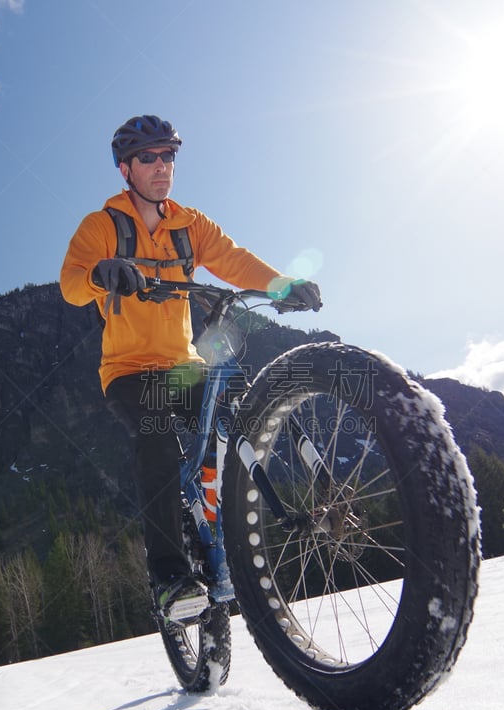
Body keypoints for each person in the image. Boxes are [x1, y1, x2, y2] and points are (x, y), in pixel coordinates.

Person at [60, 114, 321, 625]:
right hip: (130, 370)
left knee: (241, 407)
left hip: (183, 365)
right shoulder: (102, 226)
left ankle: (227, 520)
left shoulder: (190, 224)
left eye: (168, 156)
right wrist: (101, 271)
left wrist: (281, 285)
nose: (161, 167)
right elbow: (71, 284)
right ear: (125, 169)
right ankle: (170, 577)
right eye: (148, 158)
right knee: (155, 435)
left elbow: (234, 260)